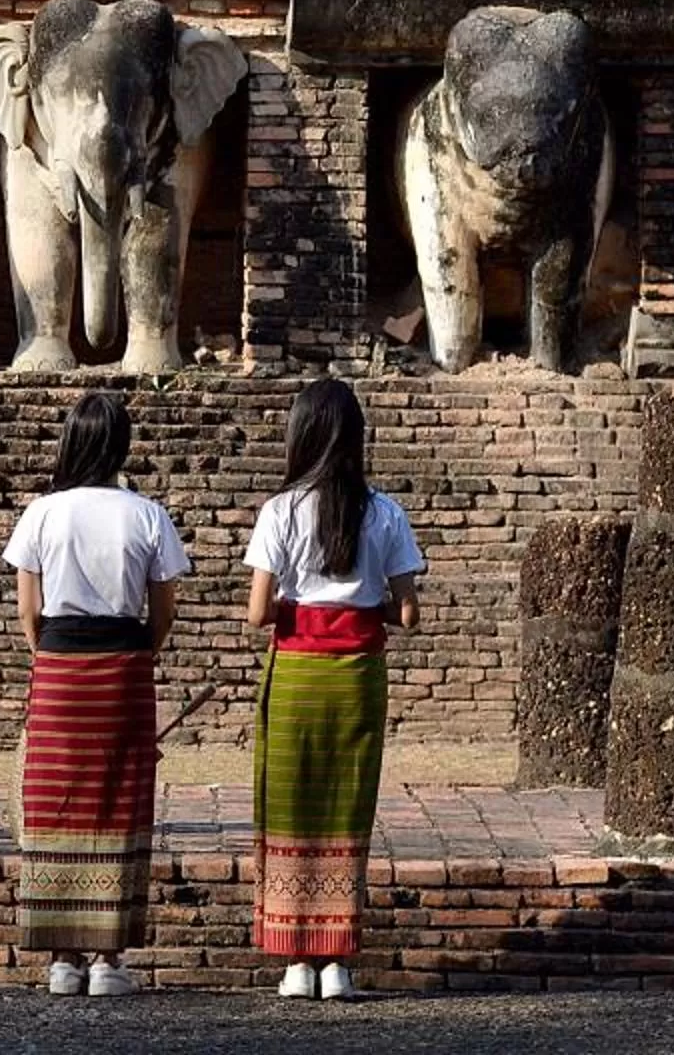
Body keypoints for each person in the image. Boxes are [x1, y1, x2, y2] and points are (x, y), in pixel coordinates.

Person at [1, 389, 189, 998]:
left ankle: (62, 956)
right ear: (120, 447)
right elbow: (162, 614)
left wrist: (52, 656)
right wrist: (136, 656)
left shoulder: (42, 514)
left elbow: (29, 614)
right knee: (119, 803)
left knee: (57, 802)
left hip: (58, 666)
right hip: (124, 669)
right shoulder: (146, 515)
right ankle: (108, 960)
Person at [242, 378, 424, 1002]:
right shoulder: (385, 512)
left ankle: (295, 960)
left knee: (291, 808)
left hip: (296, 673)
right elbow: (408, 615)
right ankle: (338, 961)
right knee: (348, 809)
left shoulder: (280, 510)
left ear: (302, 435)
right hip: (357, 677)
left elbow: (258, 613)